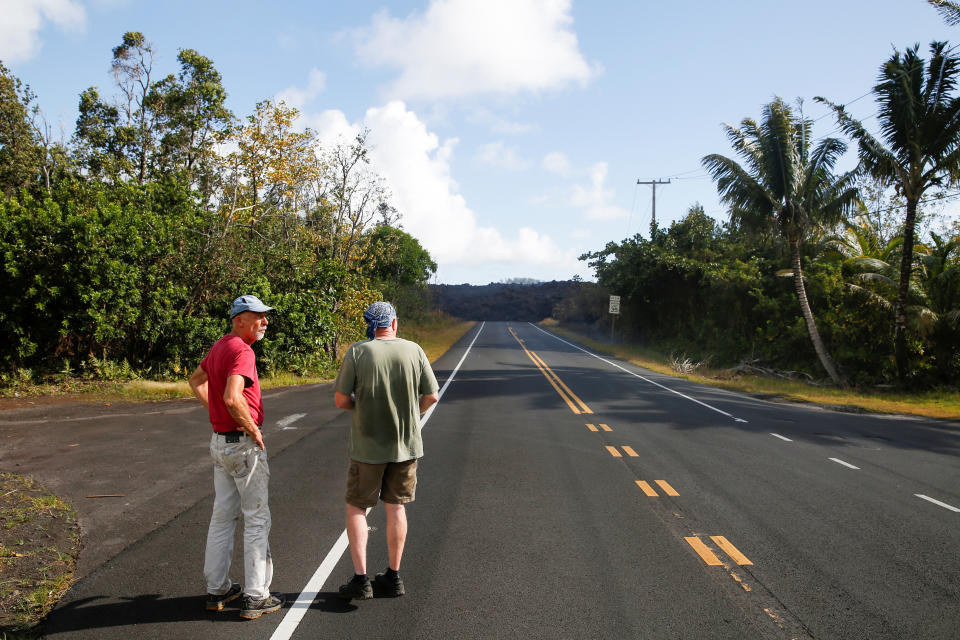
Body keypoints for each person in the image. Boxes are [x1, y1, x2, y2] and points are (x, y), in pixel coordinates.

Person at [334, 301, 439, 600]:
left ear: (369, 325)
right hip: (405, 446)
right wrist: (411, 417)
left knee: (357, 506)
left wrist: (362, 408)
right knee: (396, 507)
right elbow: (431, 396)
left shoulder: (358, 352)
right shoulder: (414, 350)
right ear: (394, 323)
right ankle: (393, 576)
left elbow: (341, 400)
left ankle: (361, 579)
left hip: (367, 446)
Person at [188, 295, 284, 620]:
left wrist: (217, 413)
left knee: (222, 516)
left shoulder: (220, 346)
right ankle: (256, 596)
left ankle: (218, 590)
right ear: (240, 319)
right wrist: (251, 428)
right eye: (259, 316)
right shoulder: (242, 351)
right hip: (242, 446)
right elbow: (232, 397)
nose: (265, 322)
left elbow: (196, 381)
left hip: (220, 443)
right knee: (256, 518)